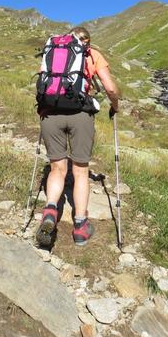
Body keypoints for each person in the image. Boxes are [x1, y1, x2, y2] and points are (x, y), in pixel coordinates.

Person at [36, 26, 120, 247]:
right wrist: (115, 105)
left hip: (50, 113)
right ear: (88, 41)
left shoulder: (54, 51)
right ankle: (81, 226)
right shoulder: (92, 54)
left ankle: (50, 211)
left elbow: (45, 83)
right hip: (80, 114)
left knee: (57, 168)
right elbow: (110, 88)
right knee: (81, 171)